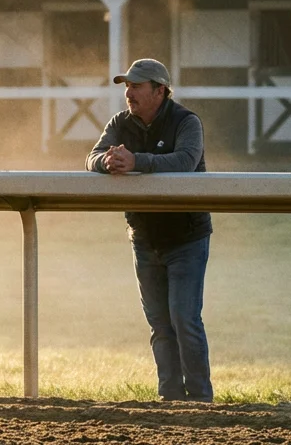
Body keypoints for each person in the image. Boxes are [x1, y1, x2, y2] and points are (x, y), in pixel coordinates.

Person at [86, 58, 214, 402]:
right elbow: (93, 156)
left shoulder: (187, 122)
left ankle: (201, 402)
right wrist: (106, 162)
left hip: (186, 238)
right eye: (127, 86)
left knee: (184, 320)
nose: (129, 93)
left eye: (136, 86)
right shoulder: (119, 123)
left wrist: (136, 161)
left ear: (160, 91)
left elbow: (186, 161)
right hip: (143, 238)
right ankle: (169, 399)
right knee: (160, 325)